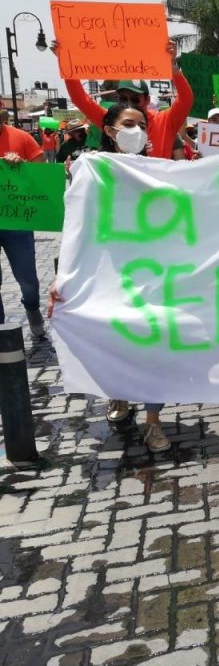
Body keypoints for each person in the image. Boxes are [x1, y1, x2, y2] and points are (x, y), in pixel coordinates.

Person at [50, 103, 173, 452]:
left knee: (154, 342)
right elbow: (76, 223)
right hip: (107, 270)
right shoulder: (90, 167)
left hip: (154, 270)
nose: (137, 130)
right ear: (109, 130)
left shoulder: (160, 169)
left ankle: (153, 420)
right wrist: (64, 276)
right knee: (114, 336)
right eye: (128, 124)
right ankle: (118, 393)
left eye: (142, 124)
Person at [53, 39, 193, 160]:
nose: (129, 104)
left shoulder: (165, 121)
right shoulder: (112, 119)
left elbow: (186, 100)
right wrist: (66, 64)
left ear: (147, 99)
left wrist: (173, 67)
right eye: (123, 99)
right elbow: (80, 99)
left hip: (155, 189)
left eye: (135, 99)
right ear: (109, 130)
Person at [0, 110, 46, 337]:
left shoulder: (21, 137)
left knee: (26, 275)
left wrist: (22, 166)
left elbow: (41, 172)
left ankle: (32, 308)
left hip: (17, 218)